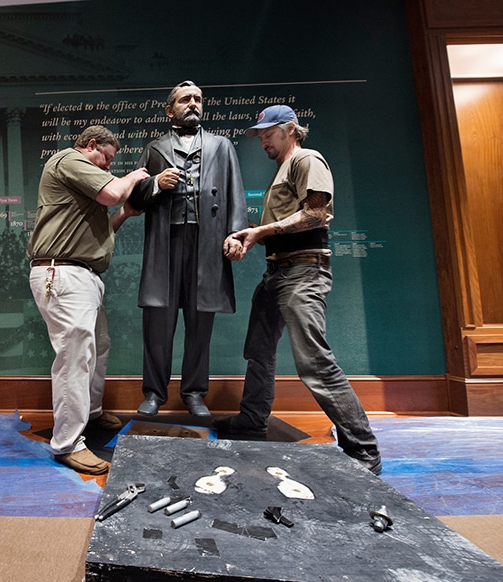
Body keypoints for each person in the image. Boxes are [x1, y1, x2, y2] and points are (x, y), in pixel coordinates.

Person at [219, 104, 382, 475]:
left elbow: (316, 213)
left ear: (291, 129)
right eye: (259, 134)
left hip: (303, 274)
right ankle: (252, 420)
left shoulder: (307, 159)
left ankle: (362, 450)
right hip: (276, 273)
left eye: (267, 132)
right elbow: (284, 223)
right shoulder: (284, 170)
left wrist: (261, 231)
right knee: (258, 351)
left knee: (314, 362)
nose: (261, 139)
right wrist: (249, 236)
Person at [27, 125, 149, 475]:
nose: (108, 167)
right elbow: (113, 193)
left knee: (99, 346)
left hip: (83, 274)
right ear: (90, 145)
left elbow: (101, 229)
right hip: (62, 272)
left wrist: (124, 215)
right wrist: (136, 175)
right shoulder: (69, 159)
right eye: (106, 159)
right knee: (75, 356)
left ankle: (91, 413)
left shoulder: (83, 187)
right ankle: (67, 443)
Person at [128, 81, 247, 418]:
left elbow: (235, 193)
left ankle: (195, 393)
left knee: (200, 322)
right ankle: (154, 393)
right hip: (165, 244)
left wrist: (237, 234)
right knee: (158, 322)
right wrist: (154, 184)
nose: (193, 104)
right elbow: (134, 198)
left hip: (207, 244)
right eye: (185, 99)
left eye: (198, 99)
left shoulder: (221, 146)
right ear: (170, 109)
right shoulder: (154, 148)